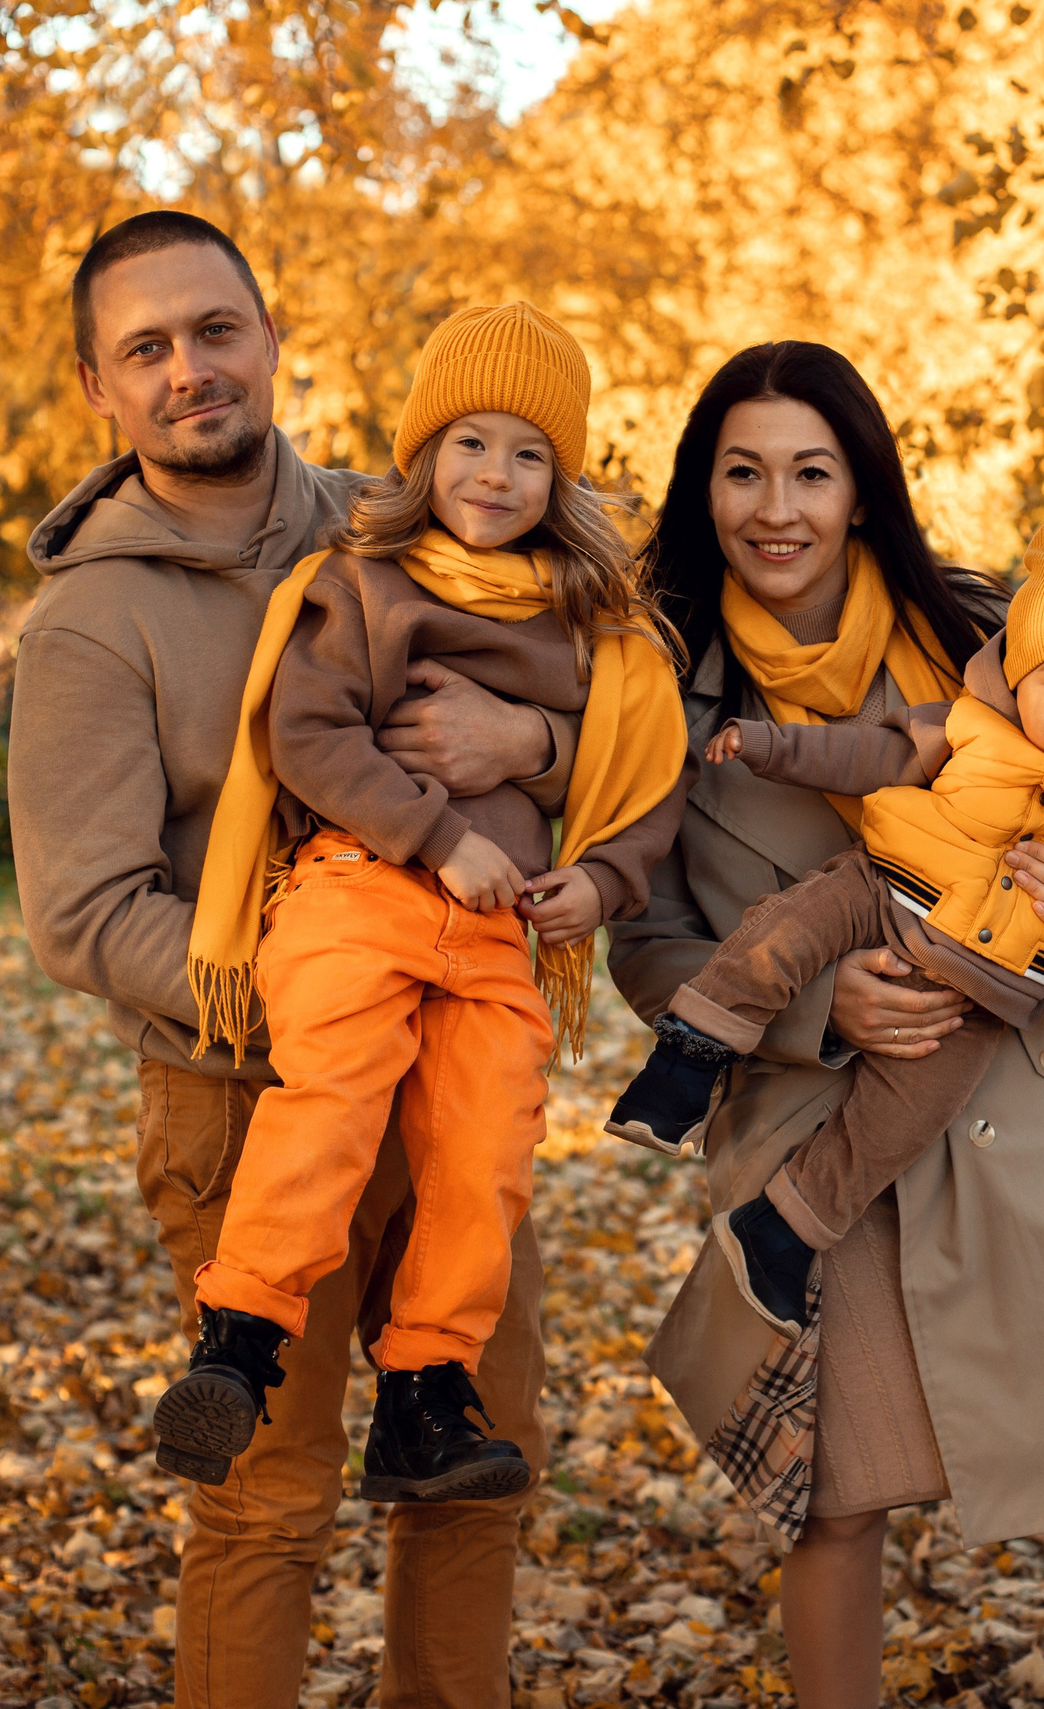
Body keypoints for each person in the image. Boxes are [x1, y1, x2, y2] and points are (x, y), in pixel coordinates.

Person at [605, 341, 1044, 1709]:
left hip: (1009, 1093)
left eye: (812, 471)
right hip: (809, 1130)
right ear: (705, 492)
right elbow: (645, 939)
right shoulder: (657, 686)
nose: (777, 507)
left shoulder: (984, 630)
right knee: (840, 1500)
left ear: (862, 490)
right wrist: (813, 1005)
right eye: (742, 473)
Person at [10, 212, 573, 1709]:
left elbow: (586, 688)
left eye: (215, 330)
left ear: (269, 338)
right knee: (268, 1498)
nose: (190, 370)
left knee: (470, 1470)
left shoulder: (411, 527)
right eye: (147, 349)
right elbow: (83, 908)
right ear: (98, 388)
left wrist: (537, 744)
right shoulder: (92, 620)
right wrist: (328, 998)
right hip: (249, 1087)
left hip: (453, 1076)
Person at [149, 303, 687, 1504]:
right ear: (422, 455)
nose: (495, 475)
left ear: (563, 476)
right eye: (469, 443)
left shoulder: (595, 627)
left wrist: (596, 881)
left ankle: (425, 1392)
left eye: (528, 453)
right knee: (330, 1097)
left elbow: (643, 781)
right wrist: (440, 837)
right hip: (362, 888)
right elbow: (306, 731)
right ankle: (239, 1340)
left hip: (502, 933)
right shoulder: (363, 584)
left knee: (484, 1149)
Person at [606, 506, 1044, 1337]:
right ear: (1020, 680)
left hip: (984, 992)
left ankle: (785, 1231)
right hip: (883, 886)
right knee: (781, 935)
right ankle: (688, 1055)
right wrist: (768, 746)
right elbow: (865, 753)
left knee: (896, 1122)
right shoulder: (971, 724)